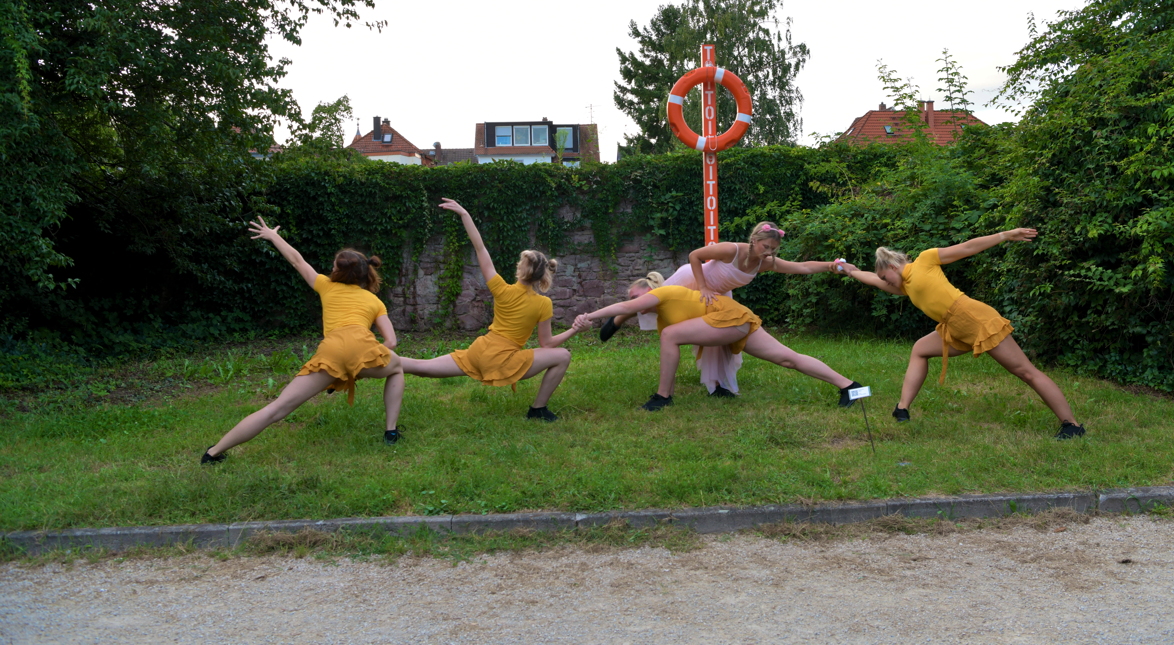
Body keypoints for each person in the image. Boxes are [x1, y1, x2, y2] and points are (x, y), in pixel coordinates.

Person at [837, 229, 1085, 439]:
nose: (886, 282)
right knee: (920, 350)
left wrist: (1005, 235)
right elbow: (870, 278)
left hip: (975, 319)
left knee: (1025, 372)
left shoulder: (925, 260)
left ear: (892, 265)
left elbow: (966, 248)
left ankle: (1072, 425)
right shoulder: (906, 287)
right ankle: (901, 409)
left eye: (885, 277)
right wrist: (848, 269)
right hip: (954, 326)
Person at [202, 218, 405, 463]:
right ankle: (391, 431)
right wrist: (359, 364)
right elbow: (391, 342)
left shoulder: (326, 285)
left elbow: (297, 260)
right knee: (396, 370)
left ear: (337, 271)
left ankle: (213, 453)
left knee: (277, 409)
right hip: (364, 348)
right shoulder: (375, 301)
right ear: (365, 273)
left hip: (330, 352)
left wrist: (273, 235)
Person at [600, 222, 845, 397]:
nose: (768, 252)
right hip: (694, 280)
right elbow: (695, 255)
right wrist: (704, 287)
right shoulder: (732, 249)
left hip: (717, 296)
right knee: (652, 303)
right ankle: (619, 318)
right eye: (765, 246)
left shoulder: (764, 264)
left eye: (773, 248)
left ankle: (716, 386)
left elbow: (802, 267)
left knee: (717, 343)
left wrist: (831, 266)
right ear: (754, 240)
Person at [398, 199, 580, 421]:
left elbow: (480, 248)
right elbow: (548, 344)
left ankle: (377, 363)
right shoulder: (543, 304)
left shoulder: (501, 289)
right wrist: (574, 329)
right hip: (504, 360)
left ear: (520, 270)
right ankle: (538, 410)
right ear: (543, 276)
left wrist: (465, 214)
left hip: (480, 351)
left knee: (421, 366)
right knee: (562, 356)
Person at [574, 280, 863, 411]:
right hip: (734, 319)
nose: (635, 301)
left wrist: (589, 316)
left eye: (636, 294)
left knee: (670, 336)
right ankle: (851, 386)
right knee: (788, 358)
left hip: (731, 316)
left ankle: (662, 398)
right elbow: (638, 319)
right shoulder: (665, 320)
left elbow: (626, 306)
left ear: (649, 289)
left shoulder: (663, 294)